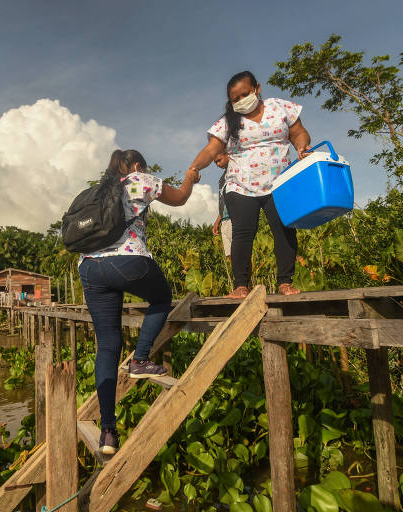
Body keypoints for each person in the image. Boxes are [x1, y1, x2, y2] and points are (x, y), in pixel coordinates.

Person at [78, 149, 199, 455]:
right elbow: (181, 197)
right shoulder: (139, 179)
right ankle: (140, 359)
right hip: (128, 261)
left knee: (106, 345)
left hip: (89, 267)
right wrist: (190, 177)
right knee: (161, 297)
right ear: (135, 166)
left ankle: (107, 432)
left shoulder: (97, 189)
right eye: (141, 166)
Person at [187, 71, 312, 298]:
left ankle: (285, 282)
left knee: (284, 230)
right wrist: (195, 167)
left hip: (279, 183)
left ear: (257, 88)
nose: (241, 100)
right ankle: (240, 285)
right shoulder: (227, 122)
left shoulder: (280, 107)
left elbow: (298, 133)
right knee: (243, 233)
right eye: (235, 99)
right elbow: (211, 150)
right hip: (241, 185)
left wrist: (302, 147)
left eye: (245, 94)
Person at [212, 168, 234, 293]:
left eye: (219, 160)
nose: (217, 164)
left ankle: (245, 286)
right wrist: (217, 221)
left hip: (234, 218)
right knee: (230, 255)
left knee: (239, 253)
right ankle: (238, 285)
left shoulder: (235, 171)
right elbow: (223, 202)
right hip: (224, 220)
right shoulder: (222, 178)